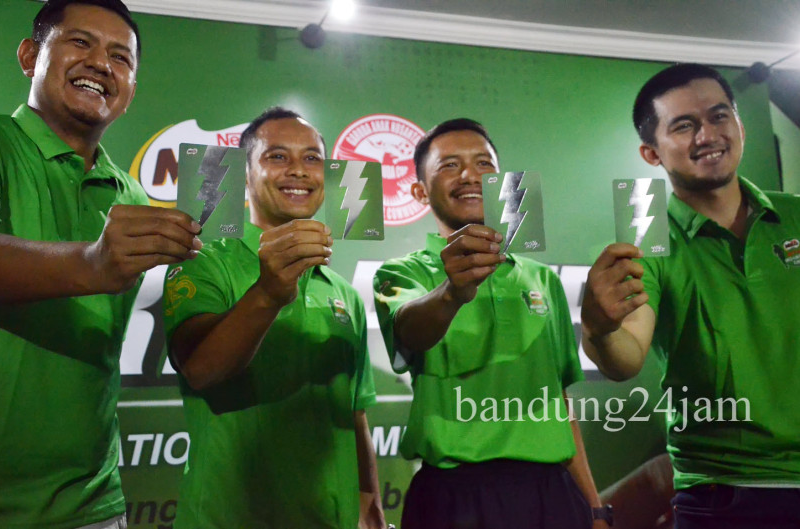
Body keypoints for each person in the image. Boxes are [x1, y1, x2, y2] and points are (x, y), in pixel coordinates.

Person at [0, 1, 202, 528]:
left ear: (131, 89)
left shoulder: (132, 194)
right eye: (80, 43)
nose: (101, 63)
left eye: (121, 57)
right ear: (30, 56)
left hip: (92, 504)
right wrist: (92, 263)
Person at [581, 63, 800, 528]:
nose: (708, 134)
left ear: (739, 125)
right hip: (724, 495)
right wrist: (599, 330)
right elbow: (626, 357)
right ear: (651, 153)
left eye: (719, 116)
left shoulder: (795, 215)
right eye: (684, 125)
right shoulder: (647, 242)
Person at [373, 118, 608, 529]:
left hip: (551, 493)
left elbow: (559, 404)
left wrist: (593, 506)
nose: (470, 175)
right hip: (453, 495)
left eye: (484, 164)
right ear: (418, 191)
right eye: (449, 165)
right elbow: (408, 330)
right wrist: (452, 293)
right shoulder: (400, 274)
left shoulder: (541, 278)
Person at [162, 107, 386, 529]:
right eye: (277, 157)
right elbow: (201, 370)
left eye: (312, 158)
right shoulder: (202, 263)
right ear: (244, 175)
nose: (298, 170)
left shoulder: (341, 292)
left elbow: (354, 413)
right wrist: (268, 292)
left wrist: (370, 500)